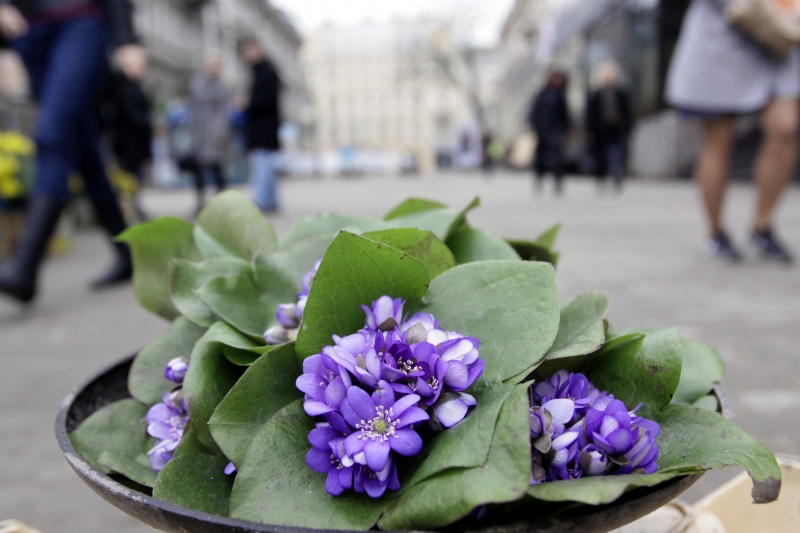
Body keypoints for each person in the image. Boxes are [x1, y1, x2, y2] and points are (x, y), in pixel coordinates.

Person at [0, 0, 145, 303]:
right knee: (82, 148)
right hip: (30, 29)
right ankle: (127, 253)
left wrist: (127, 37)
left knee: (53, 132)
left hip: (81, 19)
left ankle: (25, 267)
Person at [666, 0, 798, 263]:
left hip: (779, 37)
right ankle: (717, 233)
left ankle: (762, 226)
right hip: (726, 34)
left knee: (785, 128)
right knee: (719, 140)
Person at [104, 58, 152, 220]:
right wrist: (145, 124)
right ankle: (130, 207)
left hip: (135, 141)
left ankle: (133, 206)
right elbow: (132, 115)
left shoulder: (135, 87)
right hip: (127, 141)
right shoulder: (124, 88)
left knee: (134, 175)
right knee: (129, 176)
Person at [239, 36, 281, 213]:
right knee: (266, 164)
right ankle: (270, 200)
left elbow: (267, 99)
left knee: (262, 163)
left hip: (263, 126)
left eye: (250, 50)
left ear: (258, 49)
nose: (248, 55)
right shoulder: (260, 71)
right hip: (263, 126)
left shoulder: (267, 71)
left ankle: (263, 200)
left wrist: (248, 103)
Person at [186, 55, 231, 214]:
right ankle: (200, 203)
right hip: (199, 134)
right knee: (198, 170)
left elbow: (223, 113)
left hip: (214, 135)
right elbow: (193, 110)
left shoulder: (221, 88)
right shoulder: (197, 84)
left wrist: (220, 132)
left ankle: (222, 205)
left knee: (217, 169)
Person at [586, 61, 632, 191]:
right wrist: (590, 131)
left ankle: (616, 176)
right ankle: (601, 177)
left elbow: (626, 113)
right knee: (600, 157)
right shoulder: (596, 95)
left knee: (615, 154)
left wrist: (627, 128)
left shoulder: (620, 94)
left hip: (615, 130)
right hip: (600, 131)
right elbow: (590, 115)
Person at [528, 70, 571, 194]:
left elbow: (565, 115)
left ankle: (558, 181)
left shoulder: (560, 95)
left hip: (556, 131)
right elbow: (535, 112)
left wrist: (566, 130)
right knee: (540, 157)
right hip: (542, 130)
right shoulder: (542, 94)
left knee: (558, 156)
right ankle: (539, 178)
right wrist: (535, 126)